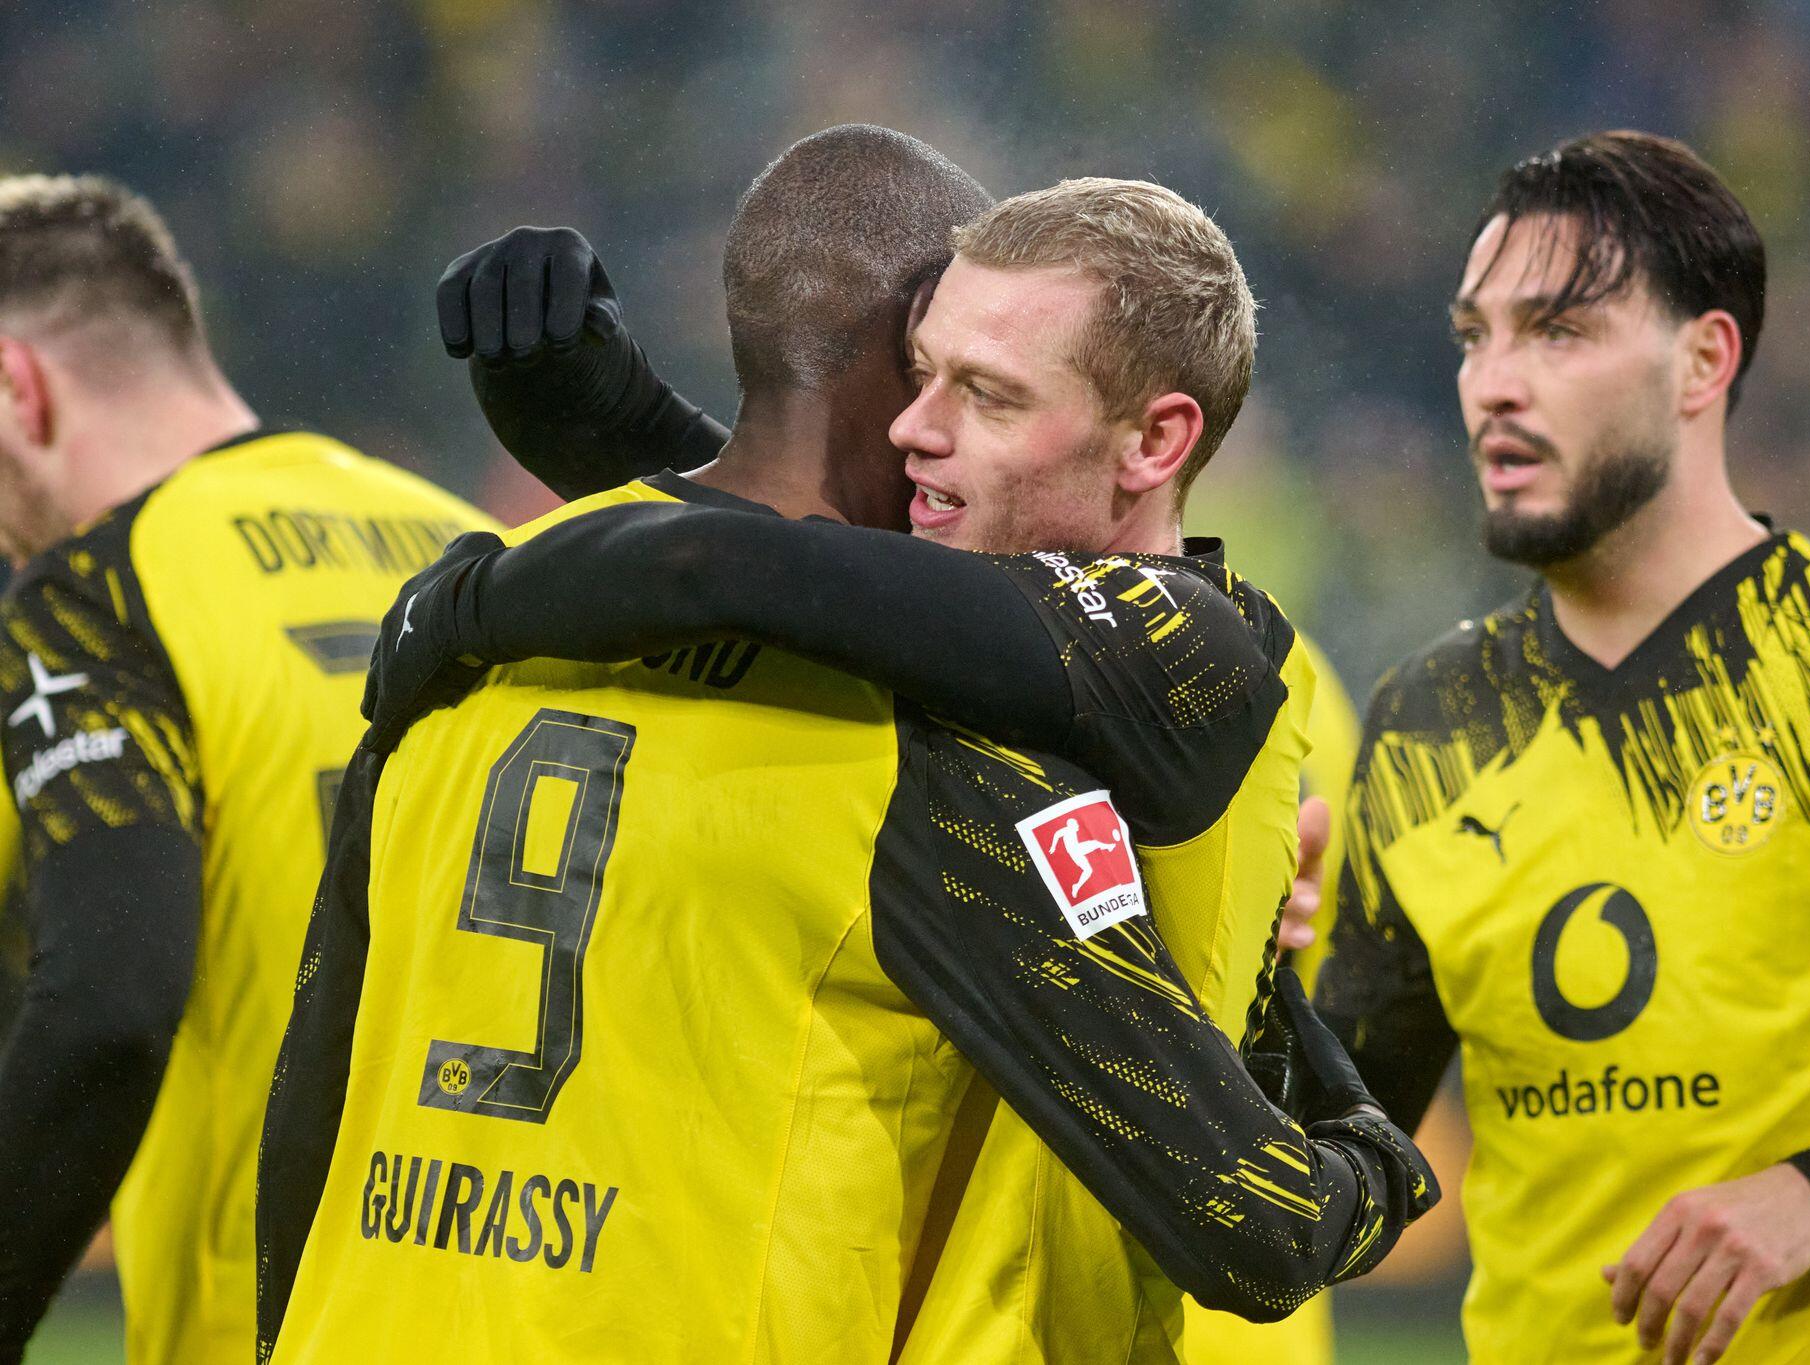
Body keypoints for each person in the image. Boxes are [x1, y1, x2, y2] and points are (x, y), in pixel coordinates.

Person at [258, 129, 1433, 1363]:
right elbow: (1246, 1210)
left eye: (984, 392)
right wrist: (1367, 1146)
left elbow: (310, 1103)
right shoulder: (933, 748)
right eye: (919, 376)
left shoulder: (452, 688)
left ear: (1154, 442)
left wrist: (465, 595)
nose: (918, 429)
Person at [1314, 128, 1810, 1365]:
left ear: (1703, 358)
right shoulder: (1429, 723)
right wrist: (1250, 973)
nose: (1493, 383)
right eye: (1473, 337)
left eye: (1556, 332)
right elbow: (1346, 1157)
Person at [0, 174, 493, 1365]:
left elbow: (108, 1002)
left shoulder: (100, 592)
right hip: (512, 1302)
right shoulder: (471, 552)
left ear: (18, 386)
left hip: (269, 1324)